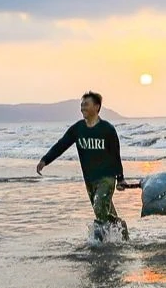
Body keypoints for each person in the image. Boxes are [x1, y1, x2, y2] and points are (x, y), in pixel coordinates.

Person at [36, 91, 129, 241]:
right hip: (90, 179)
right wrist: (45, 160)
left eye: (86, 104)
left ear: (97, 107)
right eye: (81, 105)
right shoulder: (77, 129)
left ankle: (99, 243)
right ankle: (120, 231)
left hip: (106, 178)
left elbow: (115, 155)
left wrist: (120, 178)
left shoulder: (107, 129)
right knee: (104, 211)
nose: (82, 108)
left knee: (99, 207)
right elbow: (61, 145)